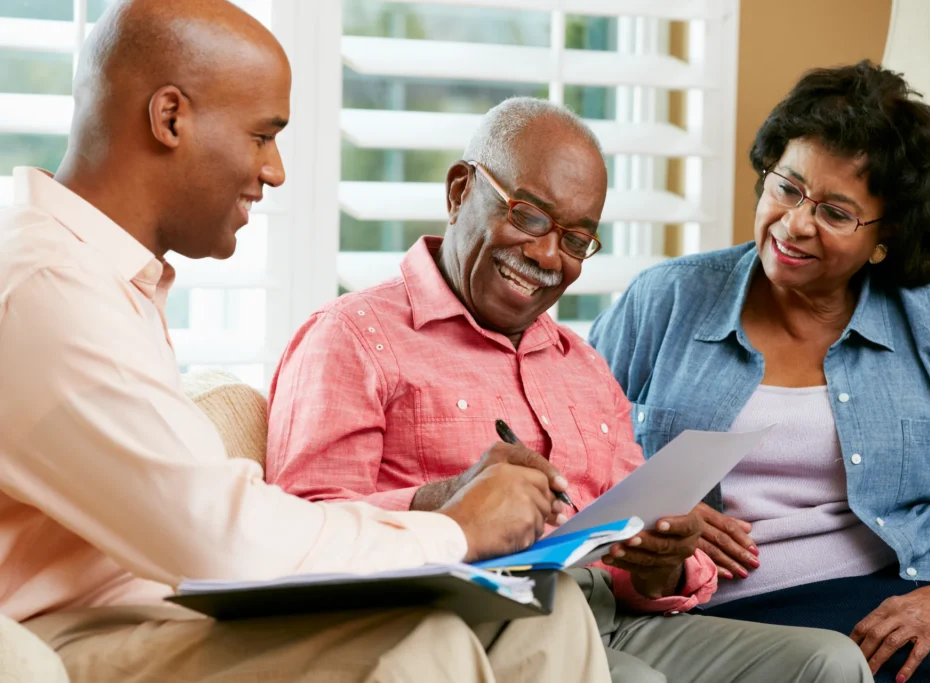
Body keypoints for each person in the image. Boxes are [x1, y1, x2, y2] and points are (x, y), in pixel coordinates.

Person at [0, 2, 614, 681]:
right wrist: (459, 528)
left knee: (542, 612)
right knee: (421, 643)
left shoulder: (108, 277)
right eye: (263, 135)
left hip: (159, 608)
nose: (276, 171)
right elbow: (221, 536)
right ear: (170, 117)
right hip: (66, 637)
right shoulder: (45, 289)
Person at [266, 96, 874, 683]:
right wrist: (444, 499)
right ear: (459, 192)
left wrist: (664, 555)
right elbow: (298, 535)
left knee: (831, 663)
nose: (547, 255)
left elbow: (645, 569)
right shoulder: (352, 338)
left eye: (577, 239)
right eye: (528, 216)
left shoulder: (581, 363)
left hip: (611, 615)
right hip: (472, 625)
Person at [590, 61, 930, 683]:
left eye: (836, 212)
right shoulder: (667, 299)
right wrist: (655, 518)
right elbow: (568, 460)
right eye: (786, 188)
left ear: (886, 235)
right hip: (706, 612)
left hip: (893, 594)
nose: (795, 224)